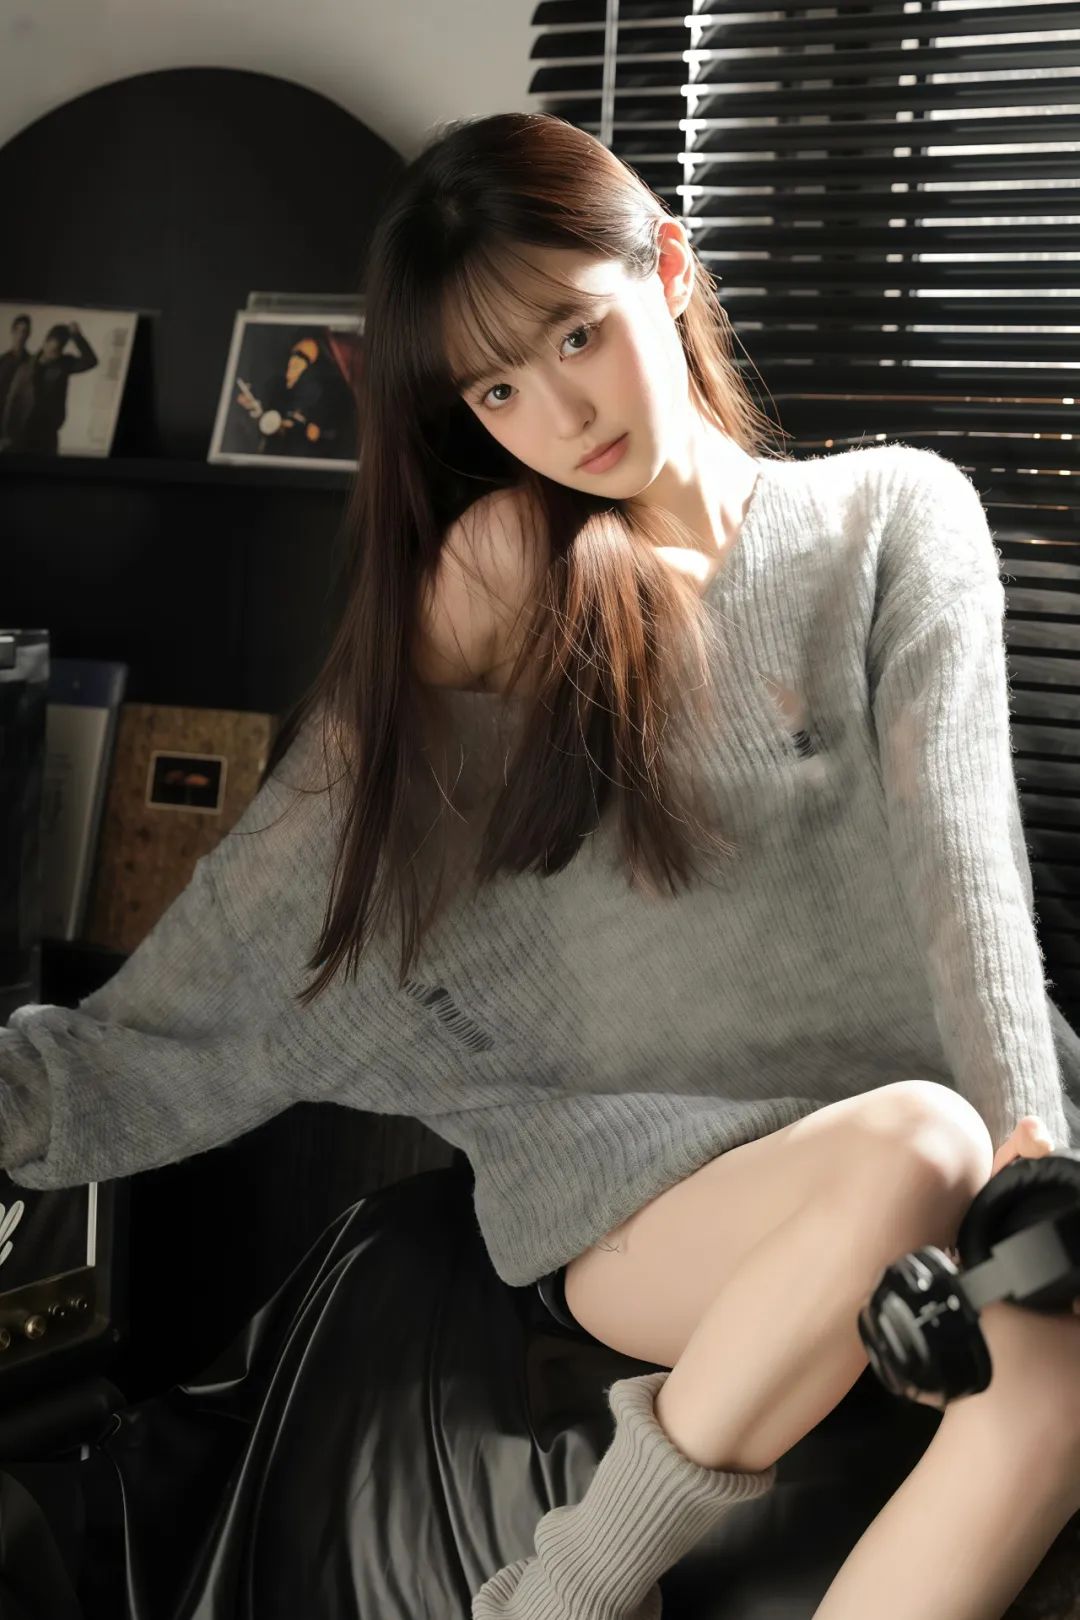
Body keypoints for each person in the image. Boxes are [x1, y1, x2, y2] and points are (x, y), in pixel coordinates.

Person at [2, 109, 1080, 1618]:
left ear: (672, 272)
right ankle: (560, 1596)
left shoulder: (896, 518)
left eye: (577, 334)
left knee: (1052, 1387)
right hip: (659, 1202)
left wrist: (1038, 1185)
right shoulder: (509, 571)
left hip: (951, 1168)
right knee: (915, 1141)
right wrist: (37, 1094)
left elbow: (971, 886)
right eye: (497, 387)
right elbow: (283, 890)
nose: (557, 415)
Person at [8, 318, 98, 455]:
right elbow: (12, 401)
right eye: (52, 349)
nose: (53, 355)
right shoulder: (26, 366)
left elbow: (91, 361)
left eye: (58, 351)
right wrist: (6, 434)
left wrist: (77, 336)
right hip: (22, 432)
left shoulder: (64, 364)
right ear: (45, 343)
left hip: (48, 434)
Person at [0, 312, 34, 451]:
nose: (21, 336)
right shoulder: (3, 361)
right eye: (18, 331)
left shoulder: (32, 362)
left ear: (28, 335)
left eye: (25, 332)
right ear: (12, 332)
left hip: (23, 429)